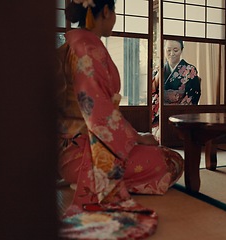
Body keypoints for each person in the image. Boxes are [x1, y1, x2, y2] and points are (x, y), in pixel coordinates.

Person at [55, 0, 184, 238]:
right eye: (113, 12)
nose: (114, 19)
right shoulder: (87, 48)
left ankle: (82, 177)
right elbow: (98, 111)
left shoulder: (73, 42)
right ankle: (91, 181)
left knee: (163, 155)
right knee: (171, 160)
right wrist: (136, 137)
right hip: (85, 153)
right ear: (105, 11)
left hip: (66, 149)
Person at [151, 40, 201, 139]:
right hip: (160, 111)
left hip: (180, 112)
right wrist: (157, 77)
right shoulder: (158, 69)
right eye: (168, 50)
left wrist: (177, 109)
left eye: (175, 50)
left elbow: (193, 94)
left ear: (181, 50)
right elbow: (152, 93)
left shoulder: (190, 70)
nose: (172, 54)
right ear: (164, 50)